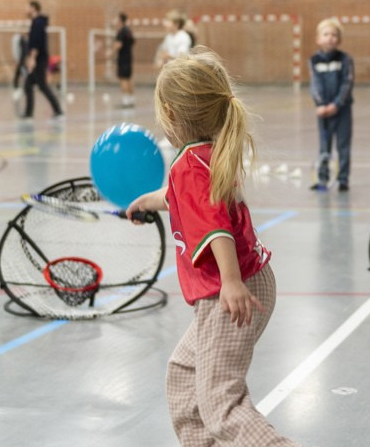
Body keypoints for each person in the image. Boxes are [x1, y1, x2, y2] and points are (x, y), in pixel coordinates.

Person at [125, 46, 300, 447]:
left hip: (231, 290)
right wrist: (145, 202)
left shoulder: (190, 167)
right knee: (185, 376)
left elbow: (216, 228)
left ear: (170, 115)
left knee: (220, 402)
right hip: (245, 284)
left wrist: (231, 281)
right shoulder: (204, 157)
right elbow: (176, 196)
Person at [309, 18, 355, 192]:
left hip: (342, 111)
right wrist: (321, 104)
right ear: (318, 39)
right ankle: (323, 179)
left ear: (339, 39)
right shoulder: (314, 60)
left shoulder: (345, 59)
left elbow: (347, 83)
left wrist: (336, 104)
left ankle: (343, 179)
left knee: (343, 145)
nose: (330, 38)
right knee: (324, 145)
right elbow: (315, 84)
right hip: (323, 112)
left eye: (334, 35)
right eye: (326, 34)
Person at [23, 0, 63, 122]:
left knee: (42, 86)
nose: (26, 10)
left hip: (39, 60)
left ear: (33, 8)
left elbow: (36, 42)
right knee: (28, 85)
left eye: (28, 7)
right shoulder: (37, 22)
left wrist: (32, 58)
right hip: (39, 59)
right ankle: (29, 113)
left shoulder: (38, 23)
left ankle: (58, 110)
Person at [114, 12, 136, 108]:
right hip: (129, 57)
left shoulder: (121, 31)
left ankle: (125, 101)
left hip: (123, 58)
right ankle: (131, 99)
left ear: (120, 20)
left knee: (123, 78)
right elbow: (133, 42)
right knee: (129, 78)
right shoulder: (129, 31)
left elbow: (118, 45)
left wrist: (111, 52)